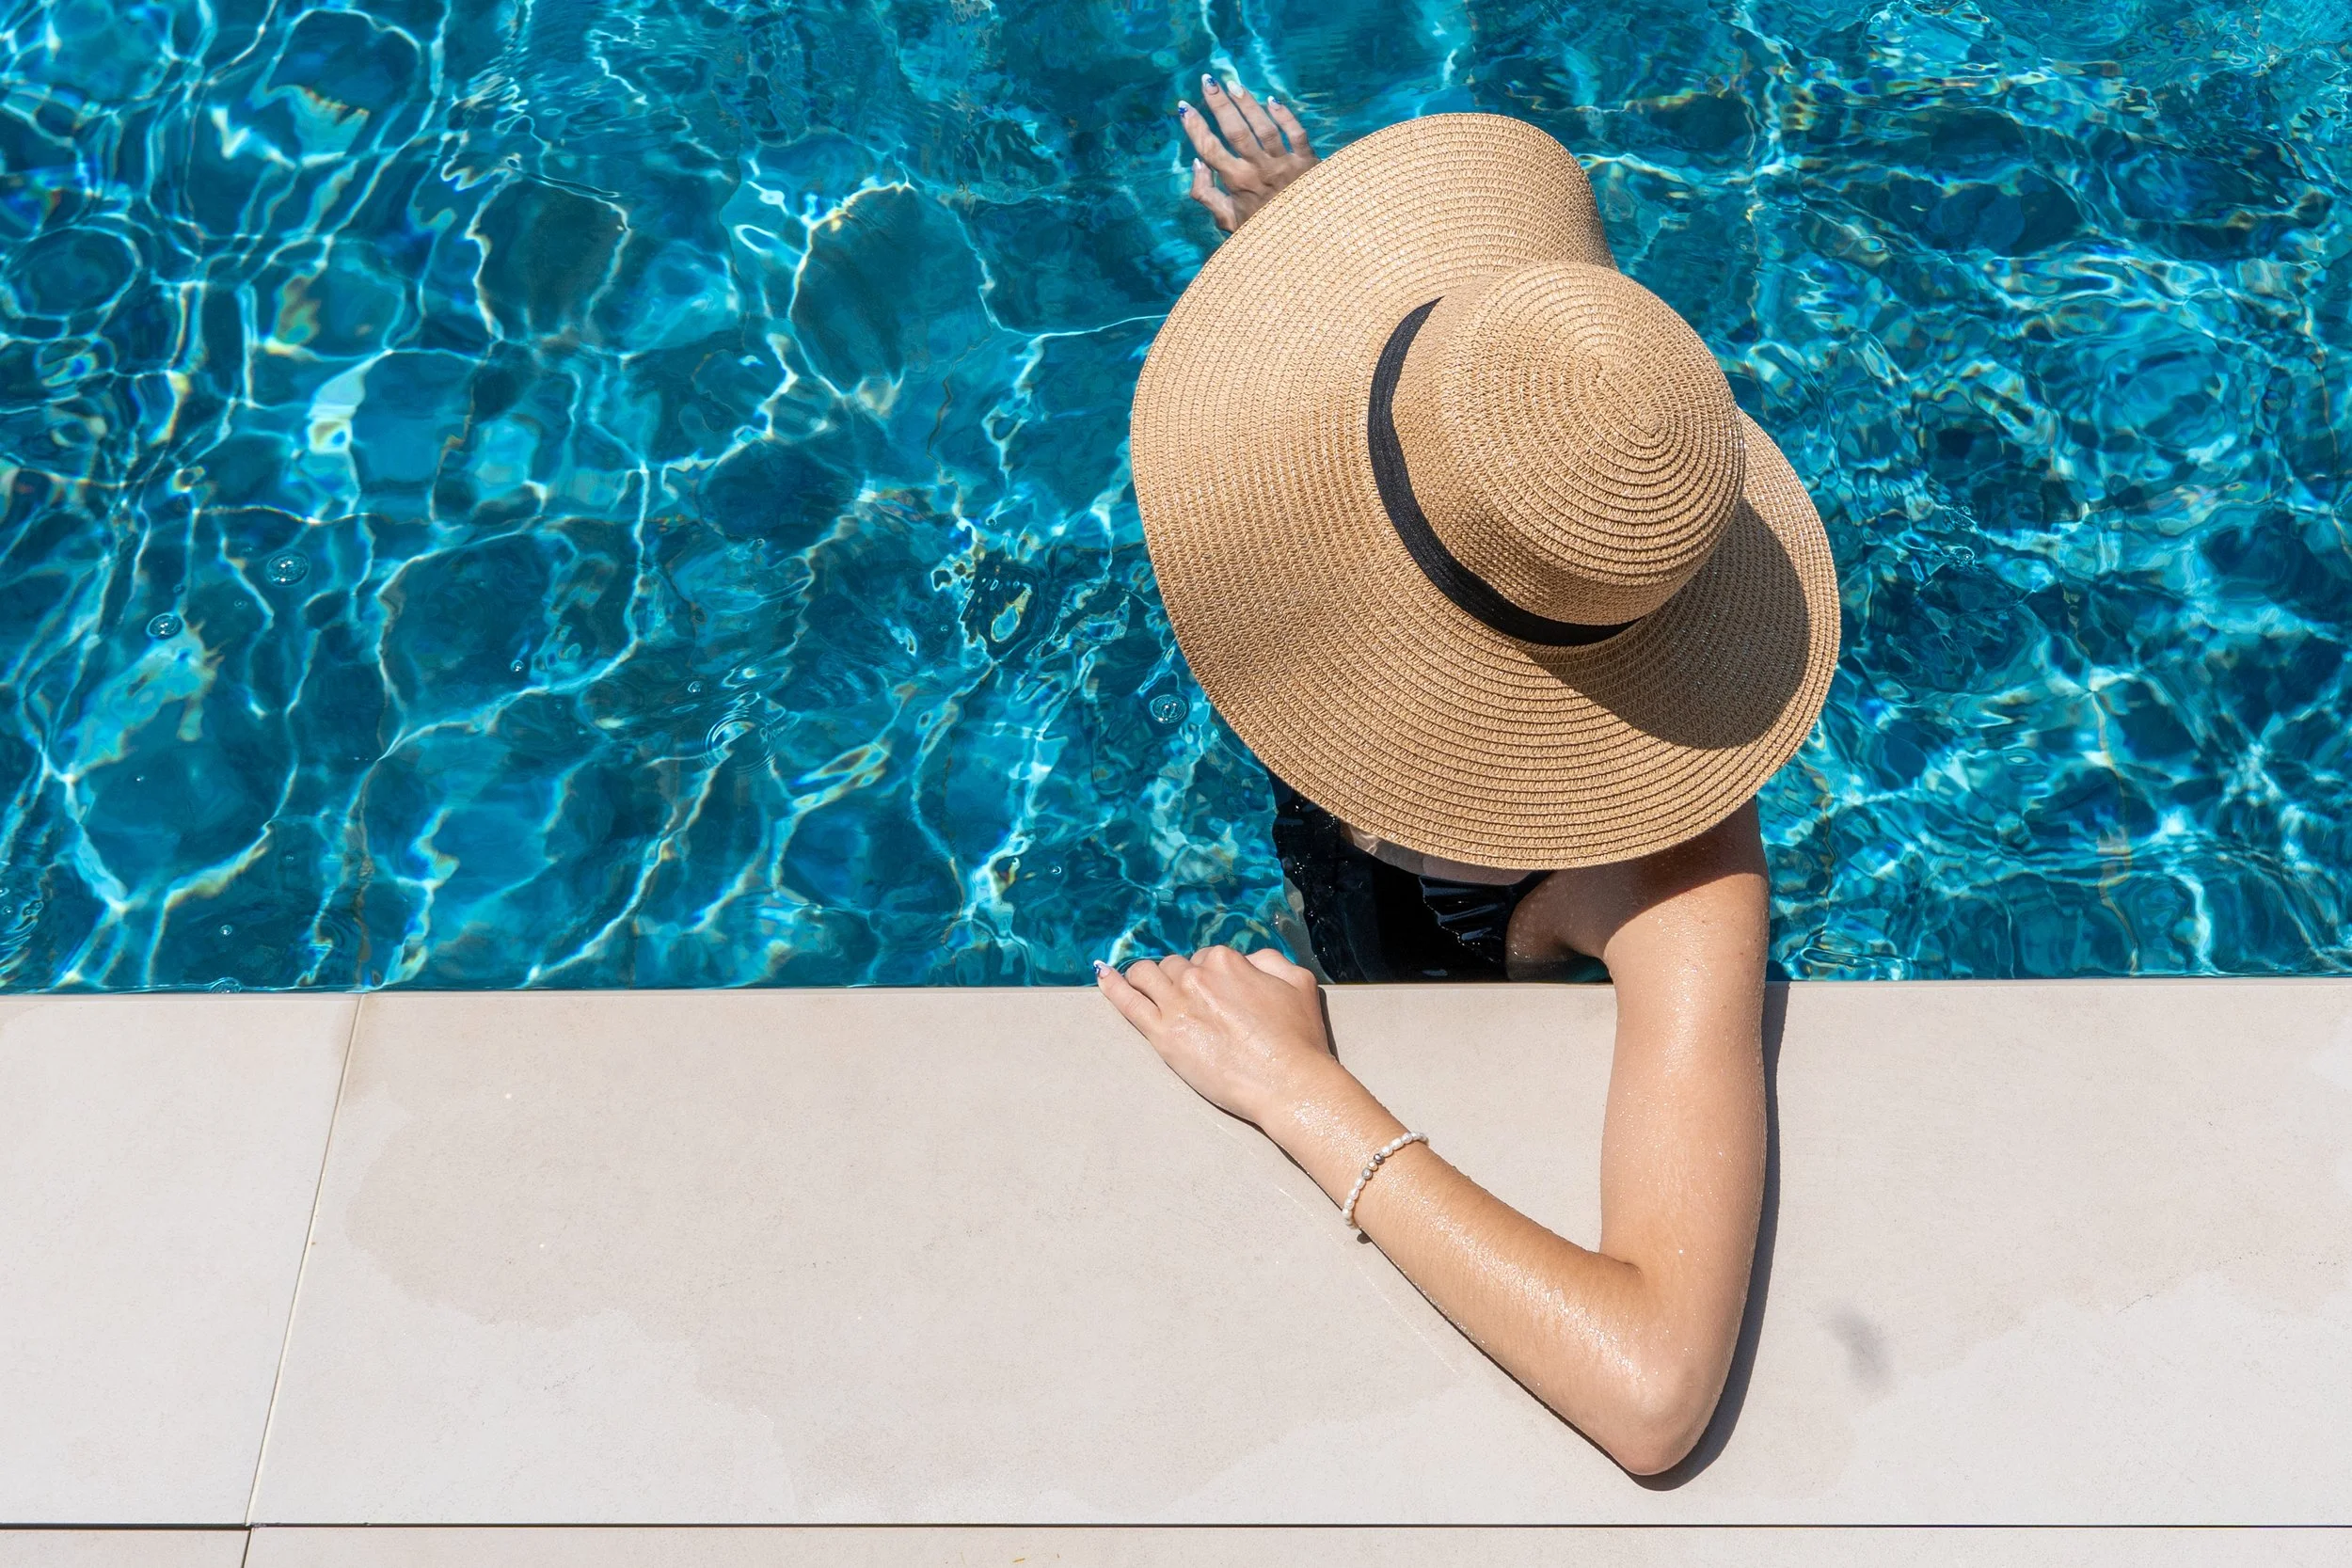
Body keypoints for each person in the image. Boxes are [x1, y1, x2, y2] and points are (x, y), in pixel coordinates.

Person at [1093, 77, 1840, 1476]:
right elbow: (1464, 442)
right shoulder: (1391, 502)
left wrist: (1304, 1095)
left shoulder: (1677, 875)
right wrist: (1311, 256)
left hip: (1419, 999)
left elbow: (1657, 1386)